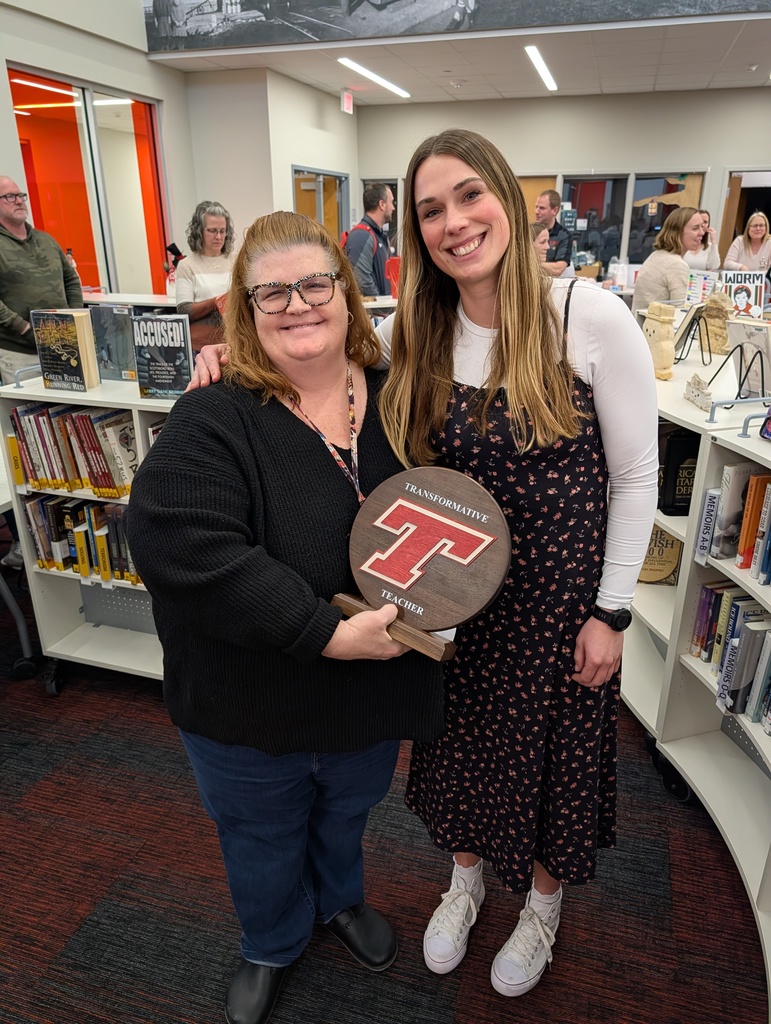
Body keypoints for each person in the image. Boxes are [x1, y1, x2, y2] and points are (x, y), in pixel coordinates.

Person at [192, 129, 659, 1000]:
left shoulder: (585, 315)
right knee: (462, 754)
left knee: (548, 757)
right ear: (413, 231)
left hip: (558, 606)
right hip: (448, 599)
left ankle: (541, 907)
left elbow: (636, 478)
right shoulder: (416, 327)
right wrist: (226, 354)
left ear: (509, 204)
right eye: (430, 209)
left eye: (470, 196)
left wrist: (613, 610)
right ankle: (467, 882)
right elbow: (316, 356)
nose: (454, 222)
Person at [125, 210, 444, 1024]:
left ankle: (337, 901)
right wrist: (325, 634)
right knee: (260, 838)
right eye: (273, 293)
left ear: (346, 292)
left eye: (314, 284)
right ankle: (270, 939)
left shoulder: (401, 399)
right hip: (248, 702)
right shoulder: (213, 413)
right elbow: (182, 549)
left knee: (345, 813)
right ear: (245, 308)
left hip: (367, 697)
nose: (298, 304)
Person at [0, 175, 83, 570]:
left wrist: (76, 317)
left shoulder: (46, 240)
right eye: (10, 196)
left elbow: (70, 278)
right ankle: (31, 538)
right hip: (17, 355)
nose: (19, 200)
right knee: (31, 428)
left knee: (65, 421)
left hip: (61, 348)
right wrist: (24, 328)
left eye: (21, 194)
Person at [175, 200, 235, 352]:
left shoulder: (235, 261)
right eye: (212, 231)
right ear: (199, 231)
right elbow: (184, 311)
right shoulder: (187, 265)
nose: (219, 237)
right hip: (202, 347)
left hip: (233, 345)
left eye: (223, 231)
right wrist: (216, 302)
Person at [630, 206, 703, 313]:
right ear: (678, 232)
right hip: (655, 327)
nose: (702, 232)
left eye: (702, 227)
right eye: (695, 228)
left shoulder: (656, 255)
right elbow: (681, 313)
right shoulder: (676, 265)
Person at [344, 183, 394, 298]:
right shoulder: (361, 236)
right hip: (375, 313)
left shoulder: (379, 235)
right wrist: (381, 308)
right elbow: (362, 280)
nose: (393, 207)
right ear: (382, 204)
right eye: (391, 202)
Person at [533, 189, 572, 277]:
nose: (536, 212)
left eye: (542, 208)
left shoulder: (564, 236)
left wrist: (529, 264)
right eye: (536, 207)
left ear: (555, 210)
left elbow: (558, 269)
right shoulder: (528, 231)